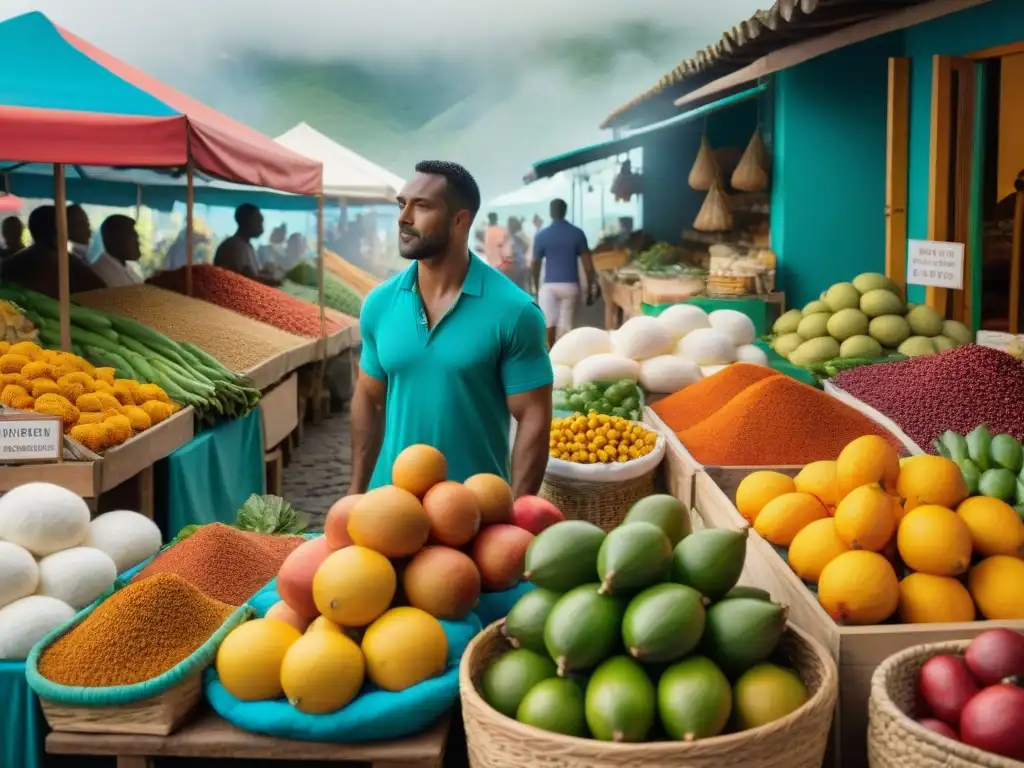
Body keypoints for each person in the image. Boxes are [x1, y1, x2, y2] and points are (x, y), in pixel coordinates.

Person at [349, 160, 552, 498]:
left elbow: (533, 416)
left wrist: (517, 513)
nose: (404, 217)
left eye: (422, 206)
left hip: (475, 513)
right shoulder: (379, 305)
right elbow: (369, 401)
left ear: (460, 221)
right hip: (388, 508)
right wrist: (355, 492)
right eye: (402, 204)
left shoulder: (515, 312)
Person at [532, 198, 598, 346]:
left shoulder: (542, 235)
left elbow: (534, 265)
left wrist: (535, 287)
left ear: (550, 212)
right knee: (565, 327)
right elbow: (588, 264)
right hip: (570, 286)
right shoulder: (577, 233)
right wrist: (592, 286)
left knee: (548, 323)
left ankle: (550, 354)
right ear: (565, 211)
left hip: (548, 287)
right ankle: (562, 354)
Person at [3, 205, 104, 297]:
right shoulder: (70, 265)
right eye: (80, 224)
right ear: (61, 229)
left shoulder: (10, 265)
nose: (88, 230)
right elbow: (101, 294)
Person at [214, 204, 279, 284]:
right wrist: (276, 281)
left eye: (261, 222)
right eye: (258, 221)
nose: (261, 227)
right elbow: (246, 280)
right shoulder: (236, 246)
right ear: (245, 221)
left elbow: (251, 275)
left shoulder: (246, 246)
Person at [91, 215, 143, 287]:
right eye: (131, 235)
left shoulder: (129, 267)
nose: (138, 243)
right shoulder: (100, 273)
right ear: (115, 240)